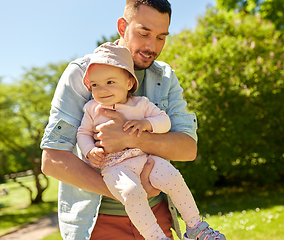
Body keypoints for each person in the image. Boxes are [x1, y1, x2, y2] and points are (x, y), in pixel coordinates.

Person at [39, 0, 214, 239]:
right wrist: (131, 192)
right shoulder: (82, 73)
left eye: (161, 37)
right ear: (122, 27)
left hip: (158, 215)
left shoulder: (165, 77)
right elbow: (53, 160)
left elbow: (187, 148)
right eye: (144, 33)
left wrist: (129, 138)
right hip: (98, 223)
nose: (152, 46)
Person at [76, 42, 226, 240]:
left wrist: (146, 123)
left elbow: (164, 121)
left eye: (110, 82)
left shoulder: (141, 104)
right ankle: (157, 237)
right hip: (114, 167)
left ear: (129, 83)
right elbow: (83, 133)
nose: (101, 90)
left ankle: (195, 226)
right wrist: (89, 151)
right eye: (95, 85)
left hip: (144, 158)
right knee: (131, 192)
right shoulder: (91, 109)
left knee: (173, 177)